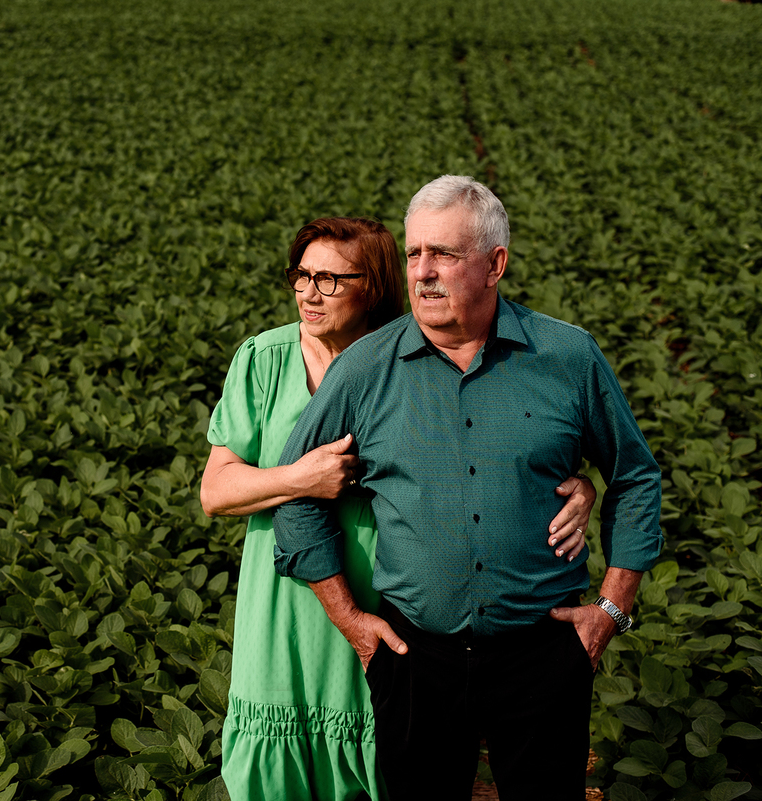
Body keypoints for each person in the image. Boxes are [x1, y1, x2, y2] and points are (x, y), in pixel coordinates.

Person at [272, 177, 663, 801]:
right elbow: (296, 495)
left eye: (444, 255)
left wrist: (612, 610)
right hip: (412, 655)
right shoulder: (365, 369)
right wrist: (351, 621)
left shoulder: (568, 357)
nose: (422, 272)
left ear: (495, 265)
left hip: (545, 650)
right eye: (414, 254)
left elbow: (635, 475)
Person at [201, 216, 597, 801]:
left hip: (386, 586)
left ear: (375, 286)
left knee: (385, 758)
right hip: (289, 586)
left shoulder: (410, 355)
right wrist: (302, 478)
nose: (310, 293)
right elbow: (215, 492)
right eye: (302, 276)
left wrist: (577, 486)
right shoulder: (263, 359)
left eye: (332, 280)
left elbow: (486, 450)